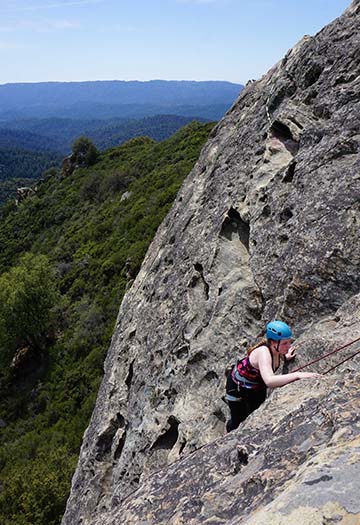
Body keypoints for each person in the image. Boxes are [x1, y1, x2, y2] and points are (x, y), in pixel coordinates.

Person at [225, 320, 321, 433]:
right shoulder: (263, 353)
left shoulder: (275, 348)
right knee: (237, 422)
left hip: (256, 386)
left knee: (255, 414)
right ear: (273, 343)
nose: (289, 346)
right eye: (285, 343)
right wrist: (298, 375)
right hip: (238, 389)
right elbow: (269, 381)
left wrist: (285, 357)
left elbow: (276, 356)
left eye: (289, 342)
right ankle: (228, 431)